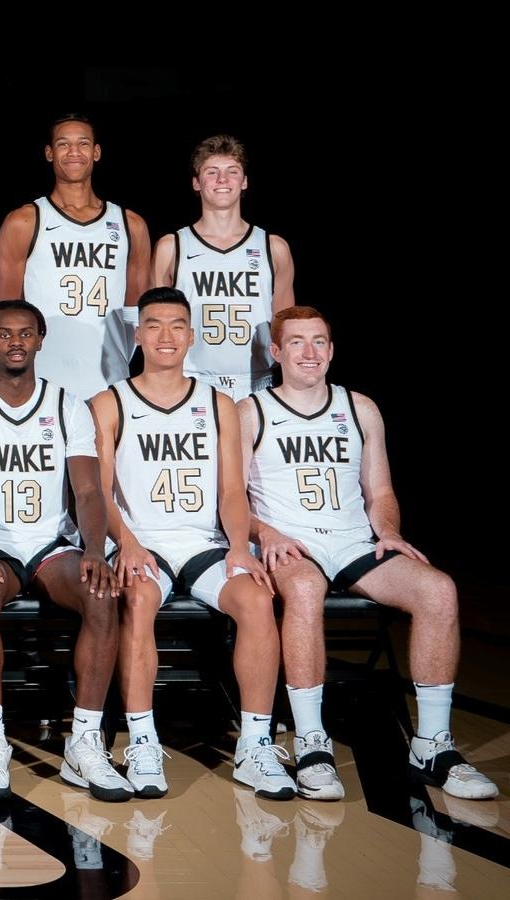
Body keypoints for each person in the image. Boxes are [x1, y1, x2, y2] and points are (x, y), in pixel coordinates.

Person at [242, 306, 498, 801]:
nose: (309, 352)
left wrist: (389, 531)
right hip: (290, 542)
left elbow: (380, 490)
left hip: (351, 540)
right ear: (275, 352)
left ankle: (432, 745)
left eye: (319, 341)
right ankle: (312, 742)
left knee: (439, 590)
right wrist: (264, 533)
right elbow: (228, 497)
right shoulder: (251, 411)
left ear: (332, 350)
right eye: (296, 342)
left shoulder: (360, 408)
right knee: (304, 588)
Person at [88, 287, 289, 801]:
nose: (166, 336)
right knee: (138, 598)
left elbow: (232, 492)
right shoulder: (109, 402)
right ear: (137, 335)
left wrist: (239, 546)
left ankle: (255, 745)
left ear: (191, 335)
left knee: (257, 599)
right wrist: (126, 542)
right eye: (154, 325)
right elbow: (98, 493)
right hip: (141, 542)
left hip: (204, 541)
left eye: (177, 325)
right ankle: (143, 741)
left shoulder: (218, 404)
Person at [0, 299, 130, 801]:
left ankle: (84, 742)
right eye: (4, 334)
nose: (15, 342)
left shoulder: (68, 406)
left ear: (40, 340)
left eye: (25, 333)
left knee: (101, 593)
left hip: (52, 544)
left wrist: (95, 549)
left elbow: (88, 492)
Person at [0, 116, 151, 400]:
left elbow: (138, 316)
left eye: (83, 143)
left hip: (110, 382)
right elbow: (4, 316)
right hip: (41, 382)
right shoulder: (25, 221)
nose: (74, 152)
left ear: (96, 152)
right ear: (49, 153)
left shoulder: (131, 225)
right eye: (63, 144)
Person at [152, 134, 296, 400]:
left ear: (244, 181)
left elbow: (287, 328)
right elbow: (156, 326)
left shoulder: (273, 247)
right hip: (192, 380)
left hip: (258, 382)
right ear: (196, 182)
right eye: (211, 172)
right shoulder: (171, 247)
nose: (222, 180)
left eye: (232, 171)